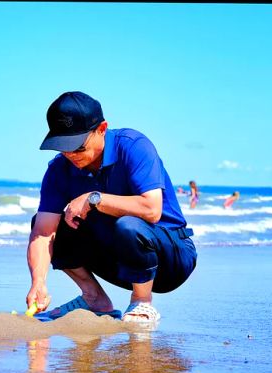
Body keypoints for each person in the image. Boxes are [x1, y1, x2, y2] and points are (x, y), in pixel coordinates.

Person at [27, 91, 197, 323]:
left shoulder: (133, 146)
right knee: (46, 223)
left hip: (172, 258)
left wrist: (93, 198)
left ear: (102, 129)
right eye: (62, 146)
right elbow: (43, 232)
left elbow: (151, 209)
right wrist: (39, 282)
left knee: (128, 225)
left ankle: (142, 303)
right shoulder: (59, 169)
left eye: (77, 146)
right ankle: (95, 299)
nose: (69, 154)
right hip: (120, 260)